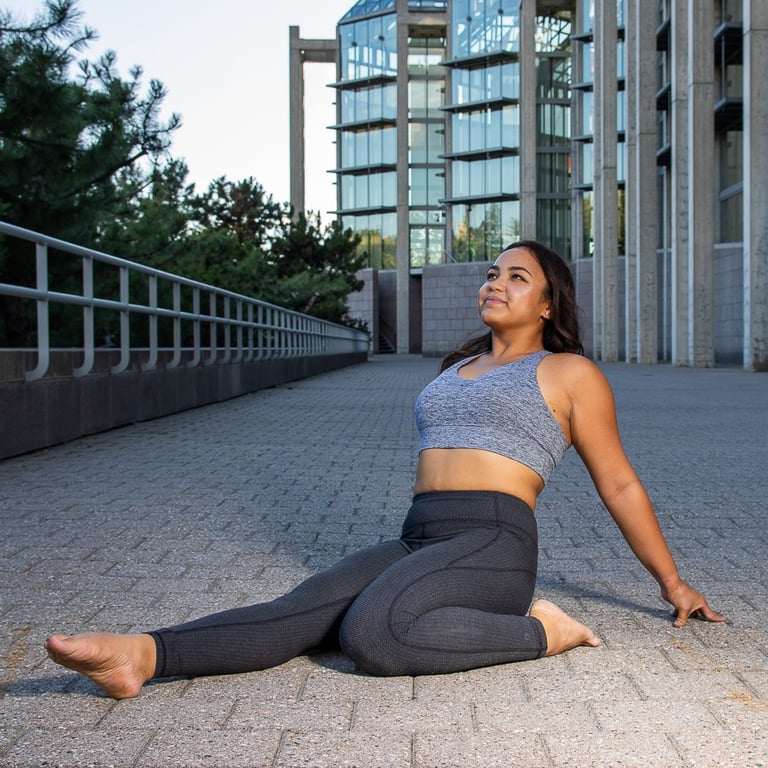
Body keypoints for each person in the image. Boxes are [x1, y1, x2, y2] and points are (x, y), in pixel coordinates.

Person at [45, 239, 725, 699]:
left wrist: (673, 584)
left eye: (517, 277)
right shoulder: (457, 366)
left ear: (548, 304)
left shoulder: (570, 372)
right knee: (301, 610)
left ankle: (546, 631)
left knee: (373, 633)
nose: (496, 282)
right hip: (420, 534)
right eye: (493, 272)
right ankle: (143, 655)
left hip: (495, 541)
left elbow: (619, 483)